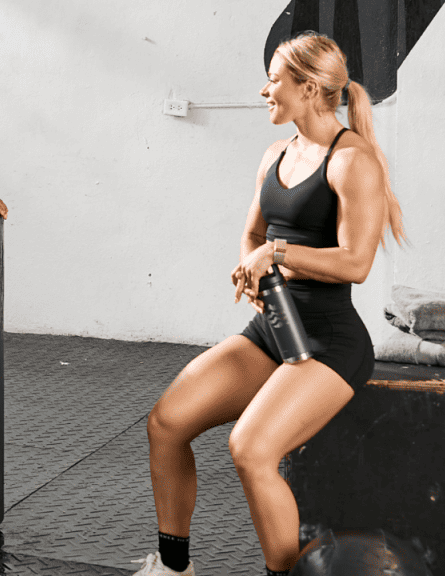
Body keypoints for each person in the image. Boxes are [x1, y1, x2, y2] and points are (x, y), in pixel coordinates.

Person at [132, 32, 406, 576]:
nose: (264, 91)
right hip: (273, 329)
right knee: (166, 423)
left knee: (252, 450)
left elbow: (356, 262)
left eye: (273, 80)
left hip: (328, 343)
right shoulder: (276, 154)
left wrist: (276, 254)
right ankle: (173, 567)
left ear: (308, 88)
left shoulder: (352, 160)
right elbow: (252, 233)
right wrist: (250, 267)